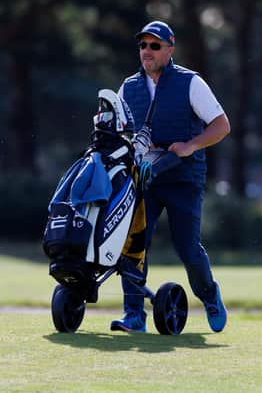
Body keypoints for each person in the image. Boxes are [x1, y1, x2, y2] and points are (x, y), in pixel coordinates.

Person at [111, 20, 231, 333]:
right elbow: (120, 131)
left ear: (170, 49)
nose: (147, 51)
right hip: (144, 178)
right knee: (133, 243)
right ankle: (134, 315)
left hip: (183, 177)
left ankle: (209, 295)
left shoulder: (191, 82)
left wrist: (190, 146)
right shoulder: (128, 87)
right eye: (143, 45)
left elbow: (221, 125)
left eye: (155, 45)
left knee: (187, 247)